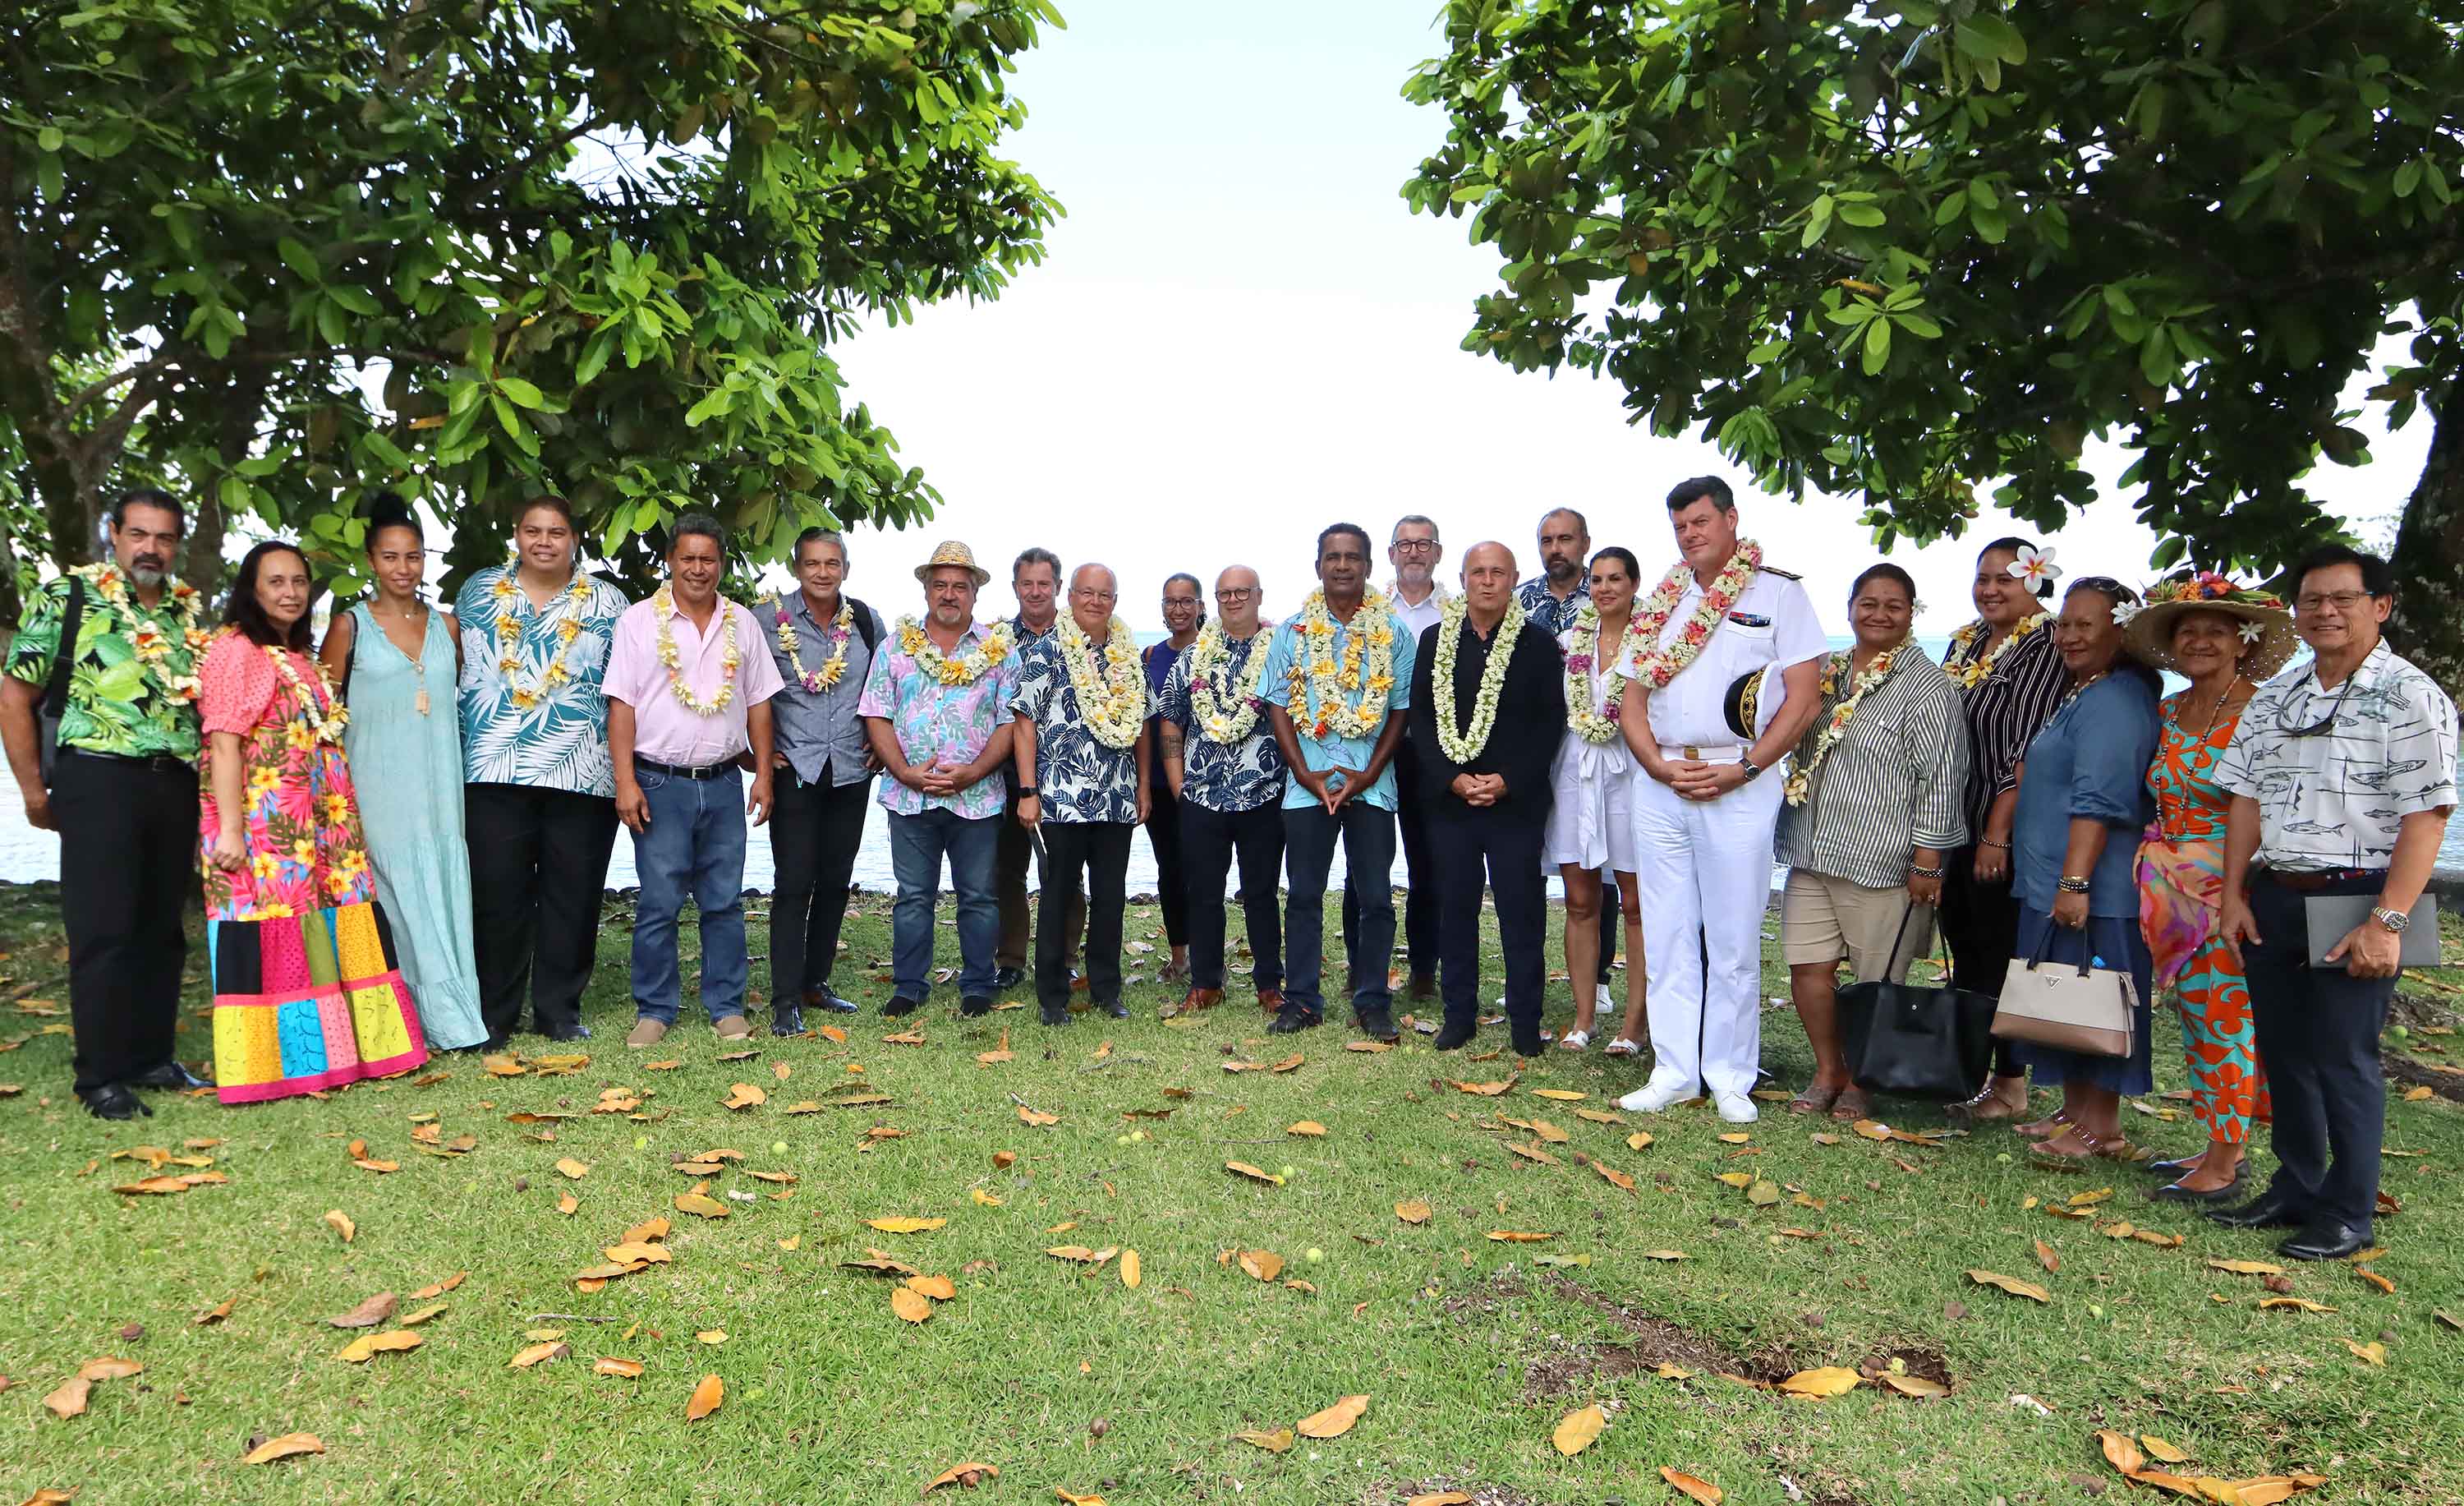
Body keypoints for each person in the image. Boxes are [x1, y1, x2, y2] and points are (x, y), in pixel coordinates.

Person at [2210, 546, 2457, 1260]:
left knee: (2344, 1055)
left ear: (2380, 606)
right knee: (2285, 1051)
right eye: (2312, 599)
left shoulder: (2412, 695)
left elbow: (2429, 816)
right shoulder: (2279, 694)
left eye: (2342, 598)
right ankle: (2296, 1183)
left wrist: (2389, 920)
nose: (2326, 611)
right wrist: (2232, 894)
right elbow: (2245, 799)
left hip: (2363, 897)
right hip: (2276, 894)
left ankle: (2349, 1211)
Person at [1616, 477, 1825, 1122]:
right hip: (1662, 779)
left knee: (1733, 936)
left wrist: (1748, 766)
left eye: (1702, 521)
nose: (1690, 534)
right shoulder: (1661, 601)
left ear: (1732, 518)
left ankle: (1730, 1075)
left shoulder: (1779, 592)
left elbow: (1805, 695)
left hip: (1741, 778)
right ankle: (1674, 1071)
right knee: (1668, 929)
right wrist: (1656, 765)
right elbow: (1631, 698)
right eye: (1680, 525)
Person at [0, 489, 209, 1117]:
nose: (152, 548)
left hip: (172, 779)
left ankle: (149, 1055)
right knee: (104, 927)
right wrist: (34, 789)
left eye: (165, 537)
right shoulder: (66, 599)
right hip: (98, 778)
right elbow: (15, 697)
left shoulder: (182, 613)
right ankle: (99, 1076)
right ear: (113, 534)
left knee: (161, 927)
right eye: (139, 534)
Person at [197, 541, 429, 1103]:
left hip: (320, 825)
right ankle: (276, 1066)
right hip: (265, 823)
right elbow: (224, 745)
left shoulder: (296, 655)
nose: (290, 592)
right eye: (275, 581)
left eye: (299, 581)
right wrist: (229, 829)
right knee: (272, 925)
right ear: (251, 589)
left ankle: (342, 1053)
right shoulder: (235, 650)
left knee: (327, 923)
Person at [2124, 574, 2297, 1201]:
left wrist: (2244, 888)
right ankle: (2217, 1143)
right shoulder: (2168, 711)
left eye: (2215, 631)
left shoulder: (2266, 711)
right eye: (2188, 630)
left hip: (2230, 887)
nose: (2199, 640)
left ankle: (2226, 1163)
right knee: (2197, 1019)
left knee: (2227, 1019)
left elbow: (2278, 806)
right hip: (2166, 888)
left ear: (2244, 640)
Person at [1775, 564, 1970, 1120]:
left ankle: (1863, 1079)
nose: (1879, 613)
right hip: (1813, 851)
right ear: (1850, 607)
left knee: (1875, 982)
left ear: (1912, 613)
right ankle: (1828, 1069)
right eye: (1869, 602)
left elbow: (1942, 776)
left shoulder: (1928, 687)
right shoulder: (1827, 675)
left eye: (1893, 604)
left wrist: (1929, 862)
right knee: (1807, 968)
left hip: (1881, 861)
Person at [455, 496, 631, 1047]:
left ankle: (559, 1009)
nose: (544, 541)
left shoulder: (609, 601)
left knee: (572, 895)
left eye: (557, 531)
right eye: (533, 530)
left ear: (575, 537)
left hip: (581, 769)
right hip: (491, 768)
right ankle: (495, 1014)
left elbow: (624, 688)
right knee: (497, 895)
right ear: (516, 534)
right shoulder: (479, 590)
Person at [604, 514, 784, 1048]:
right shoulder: (639, 622)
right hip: (659, 784)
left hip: (725, 783)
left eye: (708, 559)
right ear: (671, 561)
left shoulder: (743, 625)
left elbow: (759, 703)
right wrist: (624, 782)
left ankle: (726, 1006)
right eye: (689, 558)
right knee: (659, 900)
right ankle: (655, 1008)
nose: (699, 568)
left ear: (721, 564)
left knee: (723, 900)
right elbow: (621, 706)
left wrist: (764, 775)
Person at [2005, 577, 2163, 1166]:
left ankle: (2102, 1125)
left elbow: (2099, 799)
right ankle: (2075, 1110)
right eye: (2063, 624)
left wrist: (2075, 882)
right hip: (2054, 879)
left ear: (2121, 632)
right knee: (2066, 1001)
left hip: (2097, 886)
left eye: (2084, 625)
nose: (2069, 636)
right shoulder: (2085, 691)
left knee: (2100, 1000)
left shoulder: (2118, 700)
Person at [319, 495, 486, 1052]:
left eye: (413, 556)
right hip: (376, 788)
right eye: (390, 556)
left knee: (441, 891)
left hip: (439, 789)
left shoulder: (448, 627)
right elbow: (322, 718)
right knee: (396, 902)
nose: (403, 568)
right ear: (371, 560)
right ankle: (409, 1024)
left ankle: (455, 1019)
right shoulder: (349, 628)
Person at [1261, 523, 1418, 1039]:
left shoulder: (1392, 632)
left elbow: (1400, 708)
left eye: (1353, 557)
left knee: (1374, 895)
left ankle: (1372, 1000)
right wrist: (1304, 774)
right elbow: (1277, 705)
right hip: (1306, 787)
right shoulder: (1291, 632)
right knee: (1304, 894)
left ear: (1370, 567)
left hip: (1372, 785)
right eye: (1334, 557)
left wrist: (1370, 771)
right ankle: (1302, 999)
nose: (1344, 565)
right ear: (1319, 566)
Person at [1412, 542, 1567, 1056]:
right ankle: (1459, 1015)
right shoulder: (1436, 641)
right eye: (1477, 572)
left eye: (1497, 572)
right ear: (1462, 578)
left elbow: (1550, 727)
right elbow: (1422, 723)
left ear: (1514, 578)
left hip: (1515, 804)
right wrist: (1453, 779)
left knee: (1521, 913)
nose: (1487, 581)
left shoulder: (1539, 644)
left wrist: (1507, 781)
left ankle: (1526, 1022)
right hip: (1451, 803)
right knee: (1454, 910)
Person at [1936, 537, 2069, 1121]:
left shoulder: (2046, 644)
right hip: (1954, 820)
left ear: (2035, 581)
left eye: (2004, 579)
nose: (1990, 589)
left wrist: (1996, 831)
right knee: (1967, 945)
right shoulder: (1967, 641)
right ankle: (1970, 1070)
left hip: (2004, 824)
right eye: (1982, 577)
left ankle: (2010, 1082)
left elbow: (2029, 746)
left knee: (2002, 952)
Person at [857, 541, 1018, 1019]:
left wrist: (976, 771)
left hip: (979, 796)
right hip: (910, 798)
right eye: (941, 585)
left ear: (975, 595)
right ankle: (909, 986)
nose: (950, 594)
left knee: (979, 896)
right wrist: (903, 771)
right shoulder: (894, 648)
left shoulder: (998, 651)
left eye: (960, 587)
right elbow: (876, 713)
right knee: (912, 897)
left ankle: (977, 986)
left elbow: (1011, 721)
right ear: (926, 590)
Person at [756, 527, 889, 1034]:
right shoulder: (767, 621)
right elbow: (746, 692)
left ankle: (816, 982)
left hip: (851, 774)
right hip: (797, 772)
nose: (822, 572)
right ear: (797, 567)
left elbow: (883, 690)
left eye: (832, 563)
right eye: (812, 563)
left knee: (835, 881)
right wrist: (755, 757)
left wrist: (882, 743)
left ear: (846, 569)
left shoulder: (868, 623)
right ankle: (785, 997)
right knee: (793, 884)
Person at [1014, 564, 1152, 1025]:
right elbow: (1024, 724)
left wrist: (1143, 788)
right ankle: (1052, 996)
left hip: (1116, 798)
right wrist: (1028, 791)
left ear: (1115, 600)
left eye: (1105, 594)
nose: (1095, 601)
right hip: (1059, 798)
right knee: (1057, 895)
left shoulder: (1128, 655)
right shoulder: (1046, 648)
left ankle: (1106, 989)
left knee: (1111, 896)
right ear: (1070, 596)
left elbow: (1143, 729)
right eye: (1086, 593)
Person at [1159, 565, 1288, 1018]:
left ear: (1258, 595)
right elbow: (1171, 718)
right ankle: (1206, 983)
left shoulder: (1281, 652)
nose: (1233, 600)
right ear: (1215, 601)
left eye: (1242, 592)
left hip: (1263, 793)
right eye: (1224, 594)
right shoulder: (1192, 657)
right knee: (1203, 892)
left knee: (1261, 892)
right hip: (1201, 795)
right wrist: (1177, 784)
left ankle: (1269, 983)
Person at [1544, 547, 1649, 1054]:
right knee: (1580, 899)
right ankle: (1584, 1018)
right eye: (1599, 580)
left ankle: (1634, 1024)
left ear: (1634, 584)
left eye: (1616, 579)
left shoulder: (1653, 643)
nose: (1606, 588)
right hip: (1575, 771)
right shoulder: (1569, 643)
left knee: (1636, 903)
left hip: (1630, 773)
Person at [1518, 506, 1620, 1016]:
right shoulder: (1522, 602)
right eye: (1547, 541)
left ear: (1584, 542)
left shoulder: (1609, 597)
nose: (1556, 549)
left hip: (1599, 750)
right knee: (1530, 862)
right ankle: (1528, 972)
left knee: (1602, 865)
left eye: (1565, 539)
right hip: (1538, 750)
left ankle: (1599, 976)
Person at [995, 547, 1079, 988]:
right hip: (1005, 774)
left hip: (1069, 776)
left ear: (1058, 588)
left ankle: (1064, 958)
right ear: (1015, 588)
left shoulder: (1078, 638)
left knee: (1063, 870)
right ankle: (1009, 960)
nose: (1035, 591)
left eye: (1043, 583)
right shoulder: (995, 642)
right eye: (1026, 583)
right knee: (1006, 871)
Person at [1376, 514, 1449, 1002]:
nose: (1414, 553)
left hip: (1433, 753)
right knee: (1370, 866)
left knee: (1429, 866)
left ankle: (1424, 969)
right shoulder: (1371, 611)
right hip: (1375, 749)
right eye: (1405, 545)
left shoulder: (1456, 610)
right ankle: (1367, 970)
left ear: (1438, 554)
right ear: (1392, 554)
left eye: (1424, 545)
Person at [1142, 573, 1203, 983]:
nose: (1178, 609)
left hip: (1208, 781)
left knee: (1203, 869)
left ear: (1201, 606)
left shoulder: (1217, 652)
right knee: (1170, 869)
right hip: (1162, 787)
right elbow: (1146, 722)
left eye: (1186, 601)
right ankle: (1179, 955)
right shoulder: (1149, 657)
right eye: (1170, 602)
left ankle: (1206, 954)